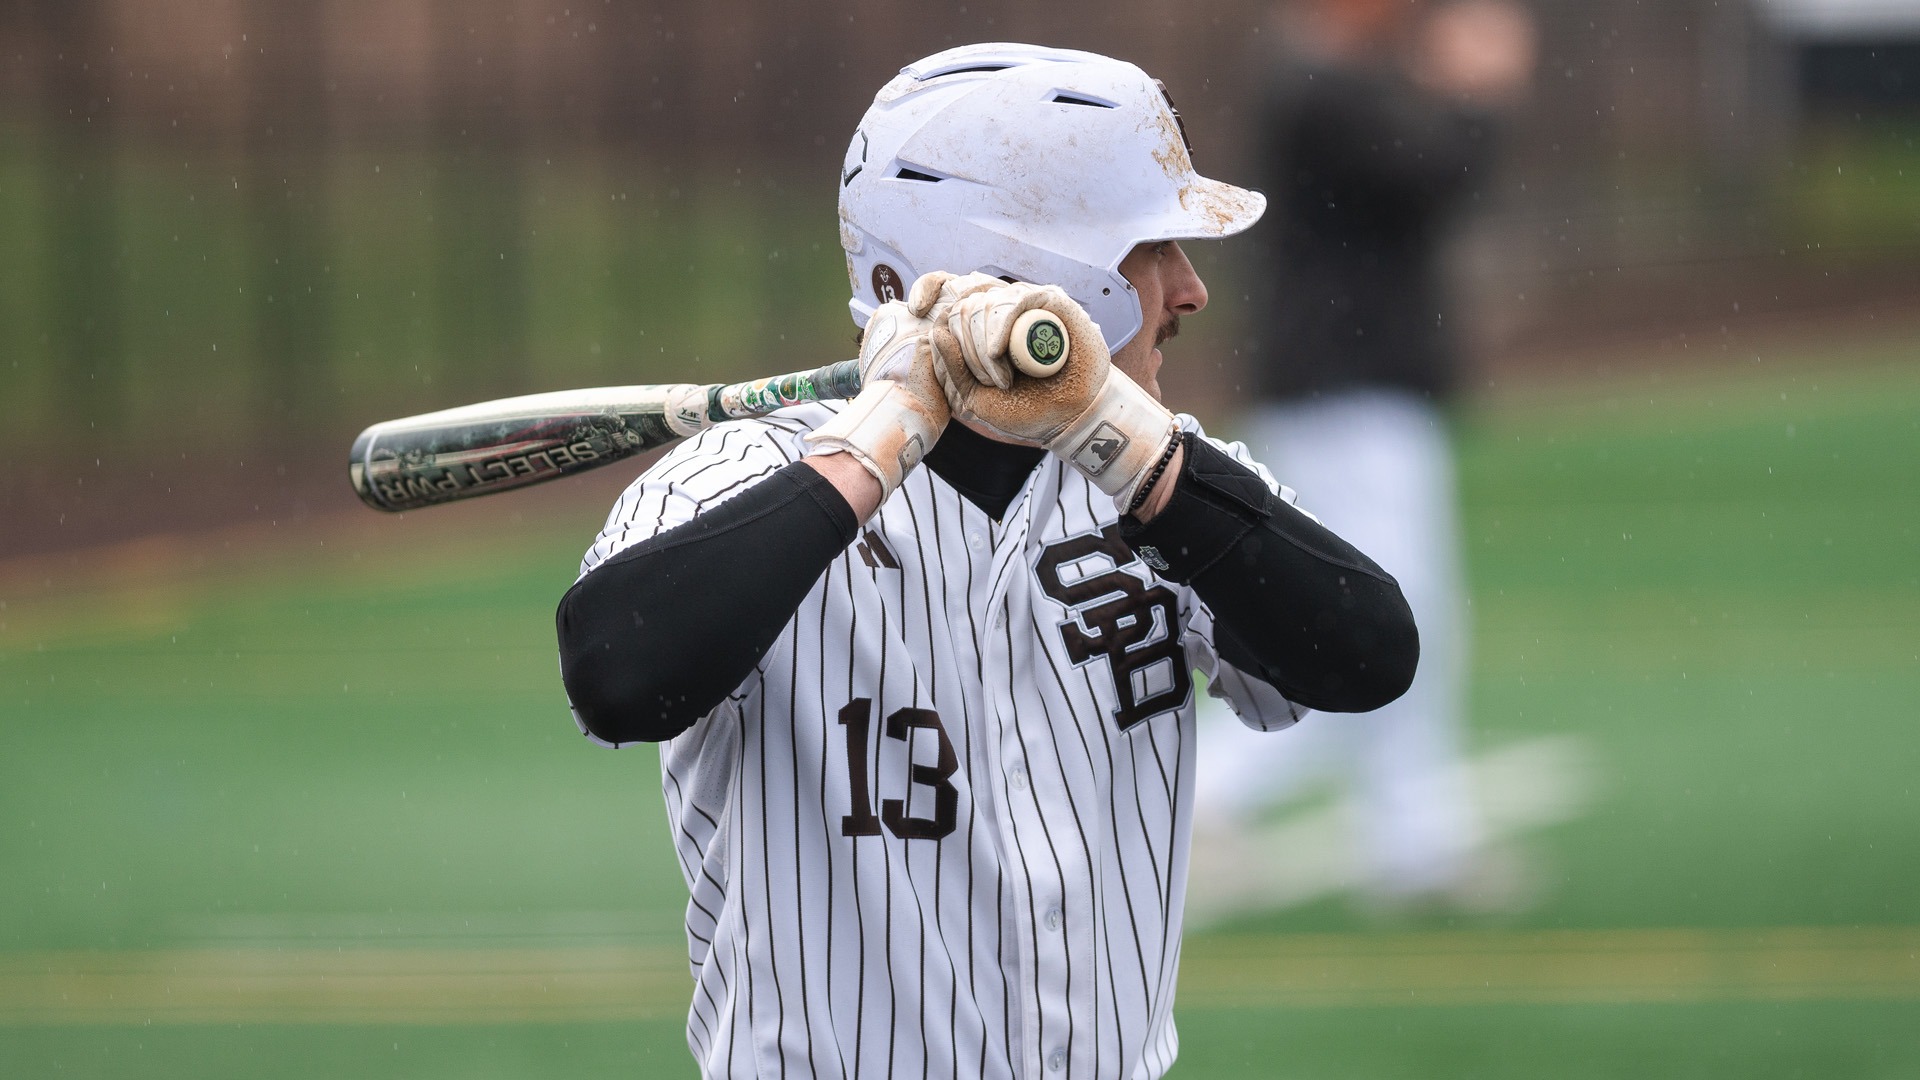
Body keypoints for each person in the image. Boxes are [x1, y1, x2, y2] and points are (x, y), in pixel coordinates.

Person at [556, 43, 1417, 1079]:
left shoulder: (1166, 477)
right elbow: (619, 675)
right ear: (1047, 277)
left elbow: (1370, 655)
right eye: (1152, 249)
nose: (1189, 291)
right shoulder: (747, 474)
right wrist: (885, 436)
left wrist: (1111, 431)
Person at [1193, 0, 1535, 906]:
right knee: (1386, 620)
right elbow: (1436, 173)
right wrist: (1478, 94)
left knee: (1394, 619)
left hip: (1346, 389)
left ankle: (1410, 838)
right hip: (1344, 394)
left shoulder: (1327, 84)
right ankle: (1215, 796)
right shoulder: (1321, 88)